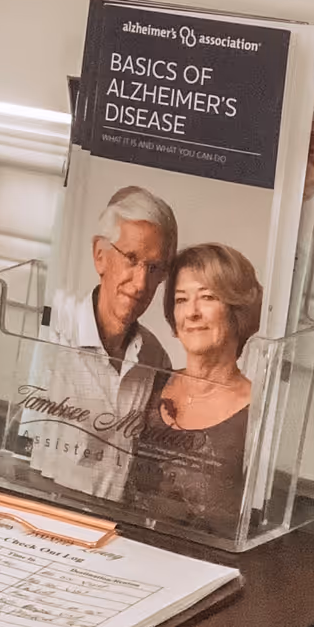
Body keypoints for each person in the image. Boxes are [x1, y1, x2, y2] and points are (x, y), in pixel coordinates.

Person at [27, 185, 177, 500]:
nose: (141, 284)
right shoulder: (50, 336)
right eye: (131, 259)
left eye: (154, 268)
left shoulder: (156, 358)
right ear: (100, 256)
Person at [129, 244, 261, 530]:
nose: (191, 313)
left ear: (236, 309)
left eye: (207, 297)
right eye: (180, 299)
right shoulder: (151, 383)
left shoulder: (261, 409)